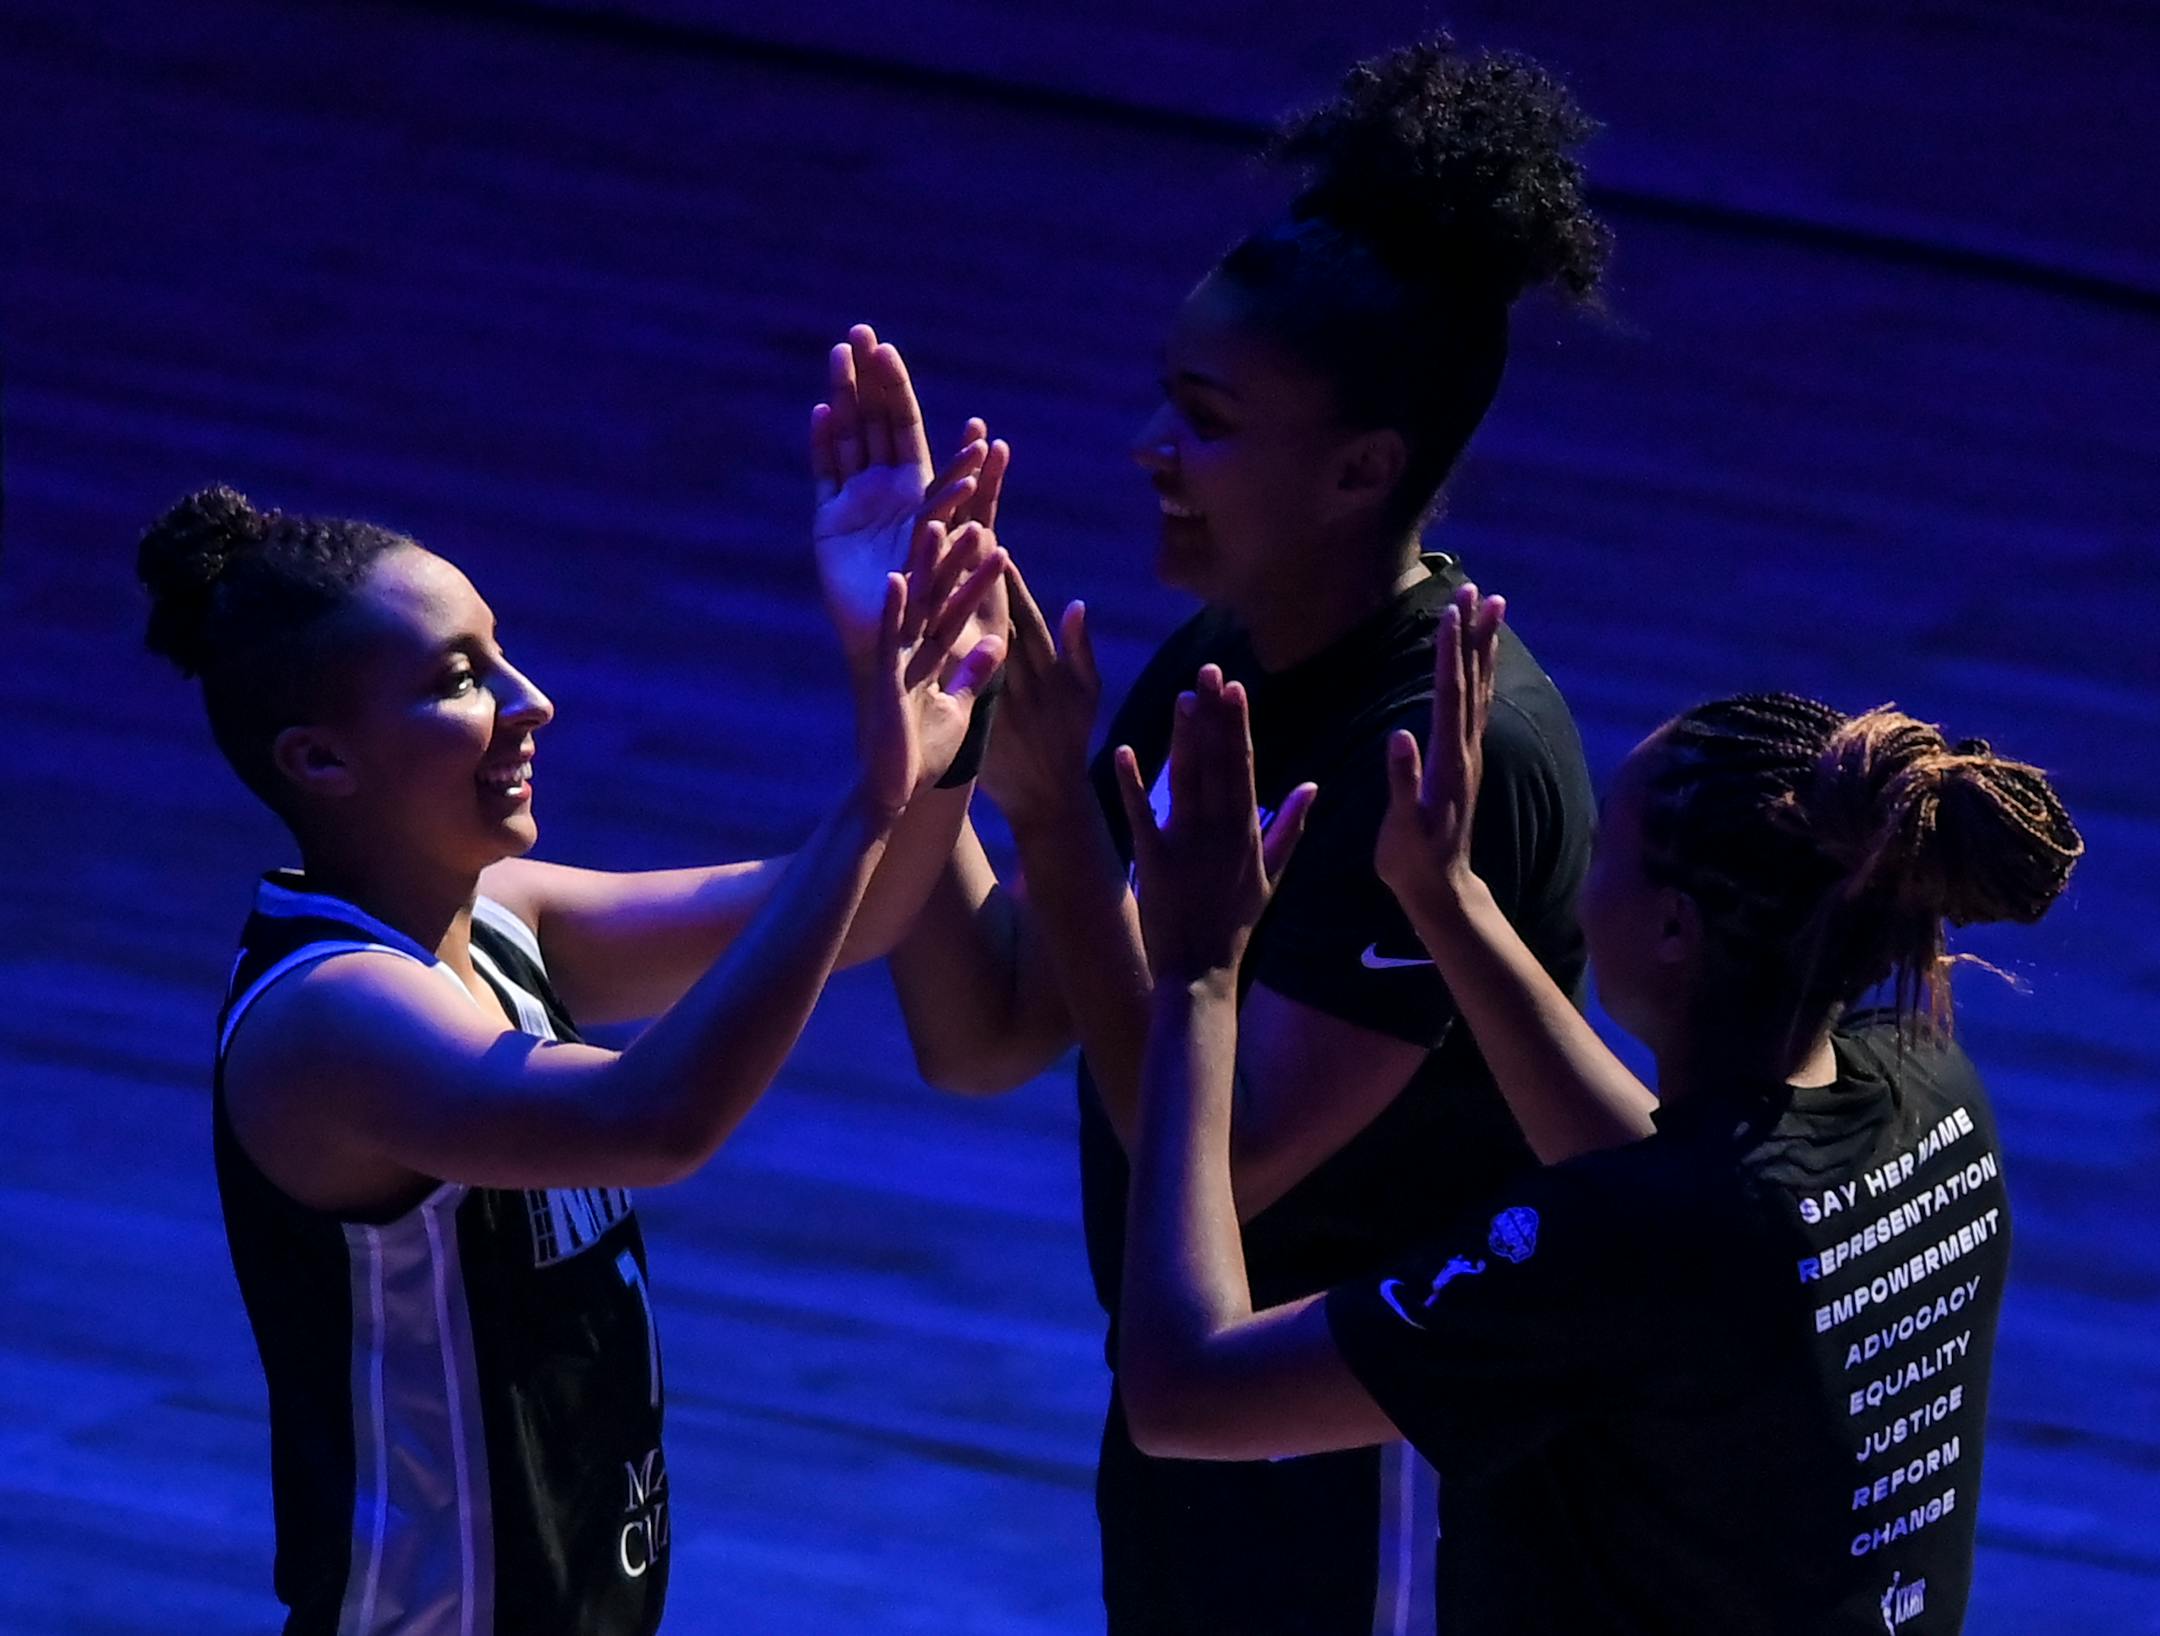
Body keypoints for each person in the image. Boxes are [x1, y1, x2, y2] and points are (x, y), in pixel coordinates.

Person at [884, 35, 1606, 1633]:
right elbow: (984, 1029)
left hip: (1374, 1467)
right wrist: (931, 751)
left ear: (1361, 470)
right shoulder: (1225, 655)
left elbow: (1214, 1167)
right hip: (1196, 1422)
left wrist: (1058, 830)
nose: (1152, 445)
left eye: (1205, 420)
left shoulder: (1437, 755)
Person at [1112, 584, 2084, 1633]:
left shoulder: (1633, 1245)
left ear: (1674, 928)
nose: (1581, 883)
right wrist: (1447, 901)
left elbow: (1182, 1391)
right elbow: (1688, 1207)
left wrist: (1200, 973)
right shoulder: (1930, 1092)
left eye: (1605, 848)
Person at [137, 461, 1005, 1635]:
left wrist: (922, 682)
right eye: (460, 680)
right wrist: (869, 798)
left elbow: (867, 911)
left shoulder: (504, 914)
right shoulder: (332, 1016)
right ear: (320, 761)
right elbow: (655, 1119)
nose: (529, 698)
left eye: (501, 652)